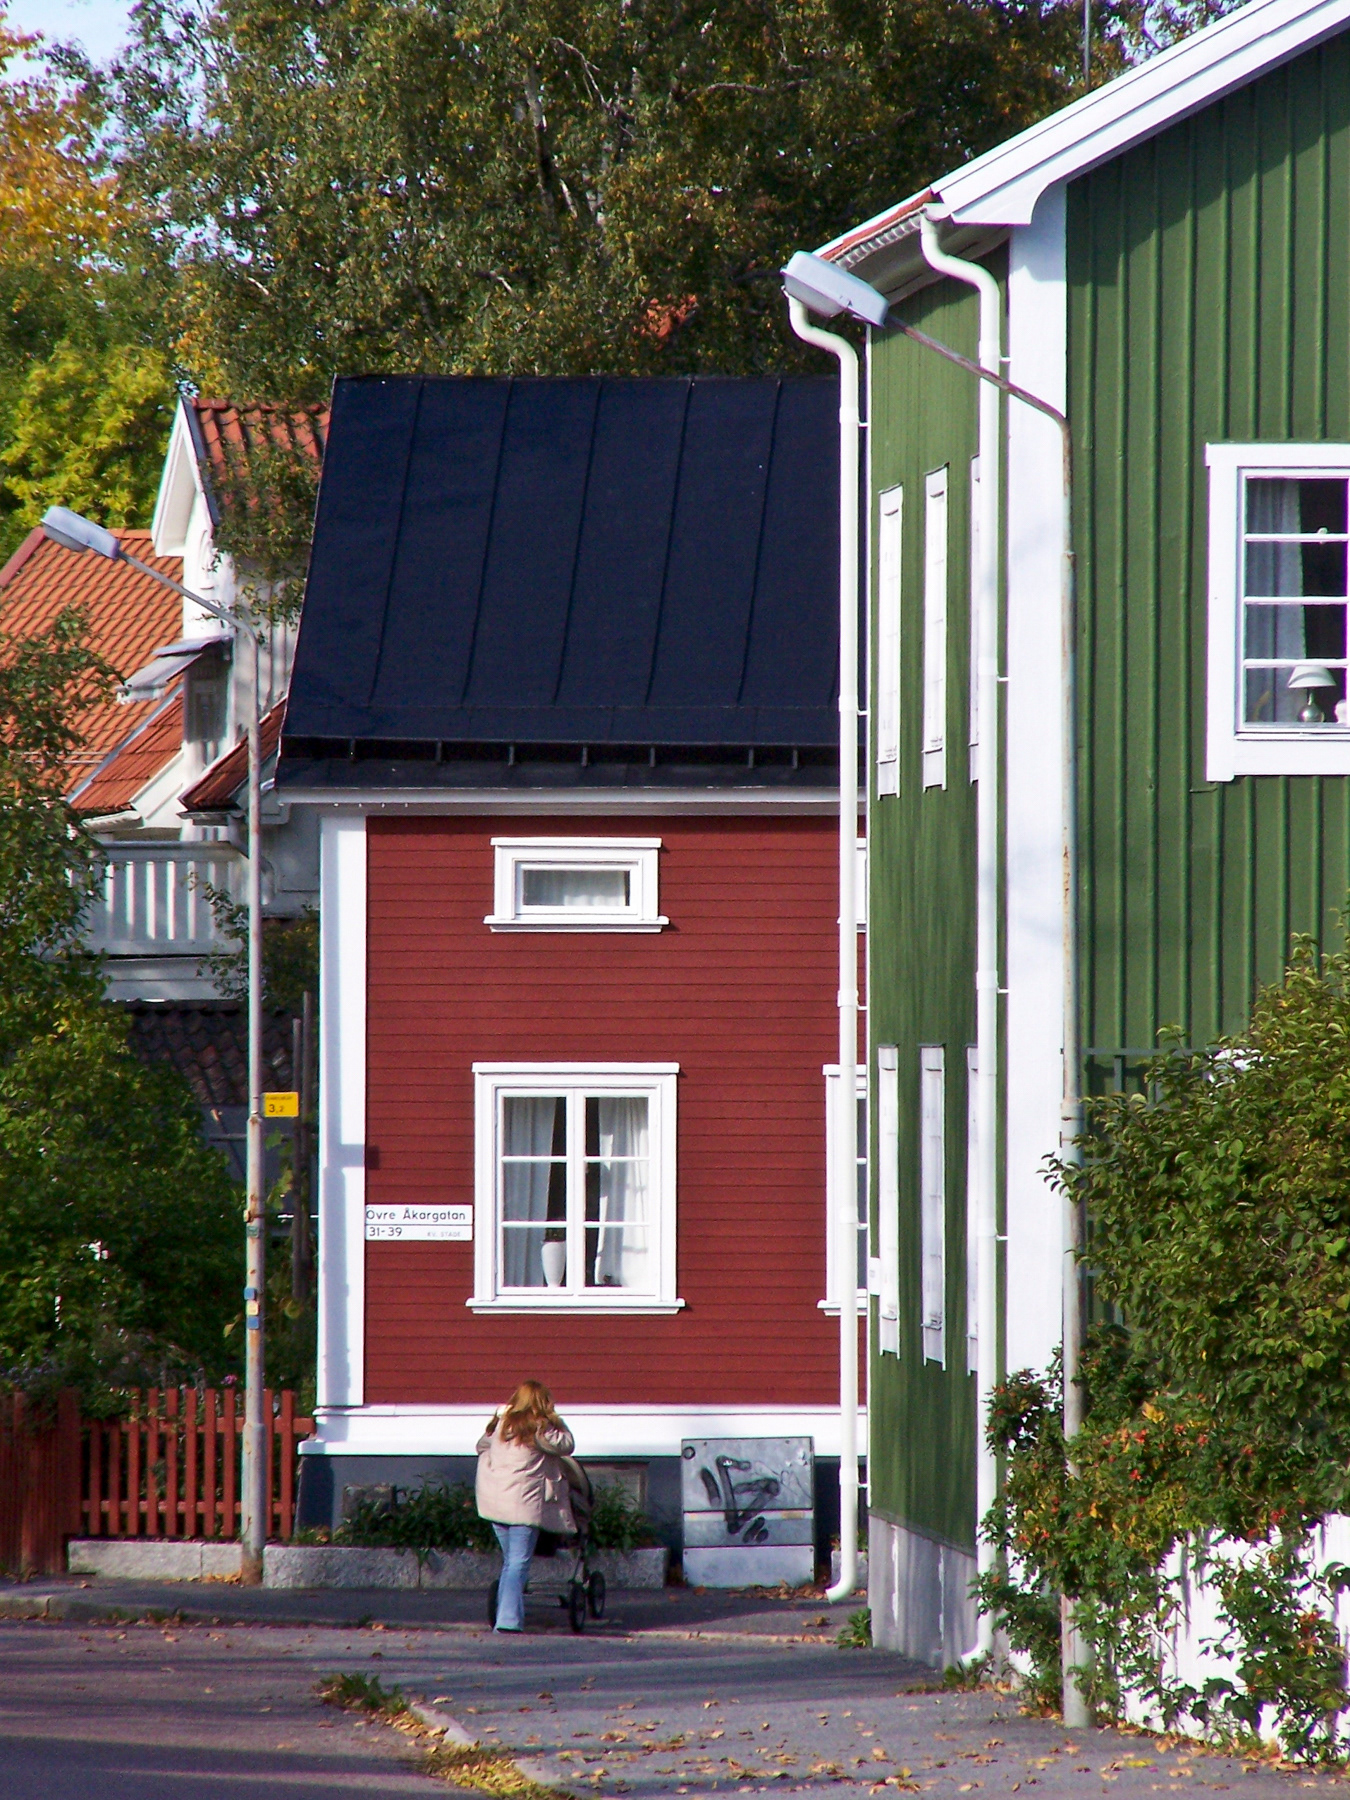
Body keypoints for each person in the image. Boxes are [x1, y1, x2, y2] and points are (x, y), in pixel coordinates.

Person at [475, 1380, 575, 1633]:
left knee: (511, 1562)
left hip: (495, 1502)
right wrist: (556, 1420)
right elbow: (567, 1445)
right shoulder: (540, 1429)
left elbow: (481, 1446)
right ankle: (507, 1621)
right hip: (523, 1505)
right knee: (518, 1563)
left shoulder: (499, 1426)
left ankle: (507, 1615)